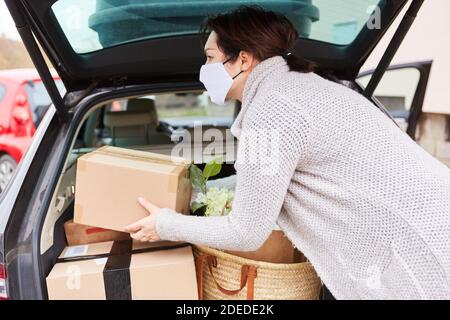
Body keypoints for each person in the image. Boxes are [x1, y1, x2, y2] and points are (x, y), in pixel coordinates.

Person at [125, 6, 450, 299]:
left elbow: (246, 231)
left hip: (423, 254)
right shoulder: (304, 88)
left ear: (243, 59)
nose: (204, 68)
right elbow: (269, 179)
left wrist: (165, 225)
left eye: (210, 57)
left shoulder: (272, 111)